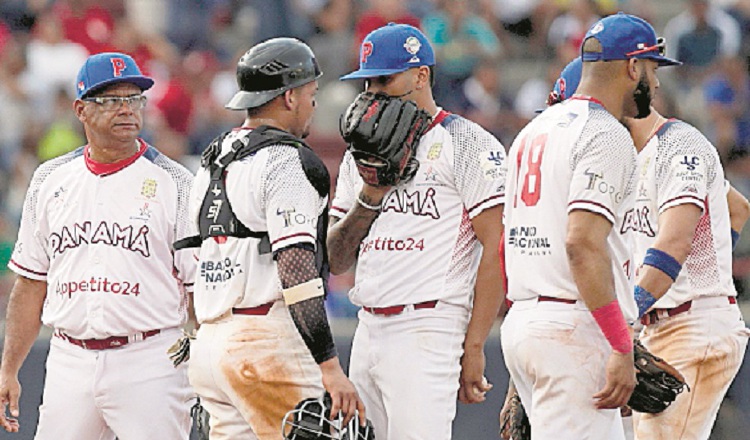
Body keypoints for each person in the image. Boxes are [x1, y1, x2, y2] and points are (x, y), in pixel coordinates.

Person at [501, 13, 681, 439]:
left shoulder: (532, 130)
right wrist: (620, 343)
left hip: (525, 319)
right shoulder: (604, 133)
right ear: (632, 67)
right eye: (652, 70)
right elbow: (581, 244)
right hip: (572, 325)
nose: (655, 85)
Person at [0, 52, 196, 439]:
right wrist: (9, 369)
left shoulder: (176, 182)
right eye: (110, 100)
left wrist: (208, 366)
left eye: (134, 98)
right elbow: (30, 282)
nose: (126, 109)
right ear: (81, 110)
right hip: (69, 357)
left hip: (150, 357)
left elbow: (199, 289)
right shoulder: (50, 179)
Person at [330, 23, 506, 439]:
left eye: (385, 79)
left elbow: (497, 246)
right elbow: (336, 258)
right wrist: (371, 195)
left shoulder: (467, 143)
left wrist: (475, 345)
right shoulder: (363, 149)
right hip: (367, 325)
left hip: (427, 325)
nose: (374, 90)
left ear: (421, 75)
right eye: (368, 81)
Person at [185, 37, 364, 440]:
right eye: (310, 93)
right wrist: (329, 366)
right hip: (264, 340)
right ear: (288, 97)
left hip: (211, 343)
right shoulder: (286, 160)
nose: (313, 104)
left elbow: (188, 262)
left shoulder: (213, 156)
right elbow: (296, 270)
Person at [625, 103, 750, 438]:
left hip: (693, 322)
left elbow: (676, 245)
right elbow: (736, 208)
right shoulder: (630, 159)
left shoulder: (677, 147)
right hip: (663, 324)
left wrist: (623, 322)